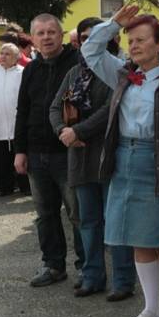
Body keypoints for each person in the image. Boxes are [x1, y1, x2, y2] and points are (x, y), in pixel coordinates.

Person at [82, 6, 159, 317]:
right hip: (124, 161)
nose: (133, 46)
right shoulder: (122, 74)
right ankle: (150, 308)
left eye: (141, 40)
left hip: (157, 162)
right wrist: (113, 24)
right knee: (138, 240)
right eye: (130, 40)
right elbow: (90, 50)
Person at [48, 18, 136, 301]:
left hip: (108, 153)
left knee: (116, 220)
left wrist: (78, 131)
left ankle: (123, 280)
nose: (85, 43)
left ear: (109, 39)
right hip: (79, 155)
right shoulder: (74, 72)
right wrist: (63, 130)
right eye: (81, 39)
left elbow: (111, 107)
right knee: (87, 220)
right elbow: (54, 107)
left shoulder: (117, 70)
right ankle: (93, 275)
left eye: (91, 37)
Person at [14, 14, 84, 287]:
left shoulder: (77, 63)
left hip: (69, 152)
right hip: (36, 154)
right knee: (45, 215)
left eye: (51, 32)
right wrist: (20, 151)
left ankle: (85, 266)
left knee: (77, 213)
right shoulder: (31, 69)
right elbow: (23, 111)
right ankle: (53, 265)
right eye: (40, 33)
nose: (46, 37)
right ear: (32, 38)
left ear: (61, 34)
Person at [0, 43, 26, 196]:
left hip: (18, 123)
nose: (3, 56)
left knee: (21, 155)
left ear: (16, 57)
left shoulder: (23, 73)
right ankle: (3, 187)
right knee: (1, 159)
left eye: (7, 54)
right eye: (2, 53)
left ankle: (25, 186)